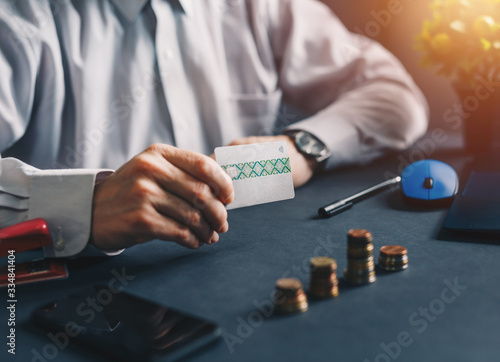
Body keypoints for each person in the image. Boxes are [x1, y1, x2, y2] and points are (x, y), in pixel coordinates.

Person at [0, 0, 428, 257]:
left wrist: (300, 150)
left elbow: (397, 97)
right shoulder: (18, 22)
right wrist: (86, 207)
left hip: (241, 271)